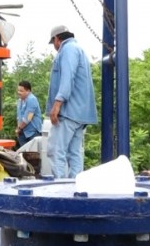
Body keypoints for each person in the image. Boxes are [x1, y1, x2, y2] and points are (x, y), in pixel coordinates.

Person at [46, 25, 98, 178]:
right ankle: (75, 188)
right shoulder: (78, 50)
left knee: (56, 151)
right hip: (81, 113)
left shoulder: (67, 50)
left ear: (57, 39)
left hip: (68, 112)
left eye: (53, 42)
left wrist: (57, 104)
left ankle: (60, 188)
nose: (54, 47)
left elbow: (67, 78)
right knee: (74, 153)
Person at [15, 80, 43, 148]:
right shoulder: (19, 101)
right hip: (22, 133)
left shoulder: (32, 99)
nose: (19, 92)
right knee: (23, 155)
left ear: (28, 91)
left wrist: (19, 128)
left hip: (33, 133)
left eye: (21, 91)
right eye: (18, 90)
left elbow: (28, 118)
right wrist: (18, 129)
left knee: (34, 155)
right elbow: (19, 117)